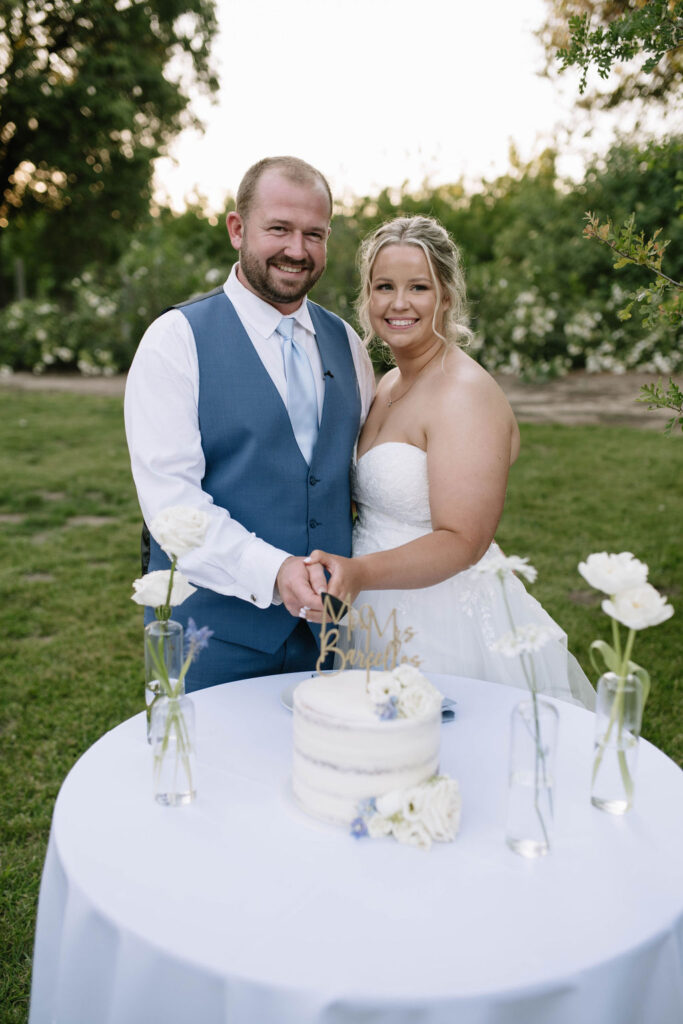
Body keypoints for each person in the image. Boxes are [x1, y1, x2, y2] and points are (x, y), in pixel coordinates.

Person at [306, 215, 595, 709]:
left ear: (447, 296)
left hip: (443, 625)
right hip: (376, 610)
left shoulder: (464, 393)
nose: (398, 303)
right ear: (367, 297)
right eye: (384, 286)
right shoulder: (389, 384)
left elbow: (464, 540)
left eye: (418, 286)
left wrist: (361, 573)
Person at [124, 156, 375, 690]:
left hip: (331, 640)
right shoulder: (176, 341)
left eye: (315, 234)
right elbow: (172, 506)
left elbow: (356, 479)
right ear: (238, 229)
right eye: (279, 229)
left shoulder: (348, 345)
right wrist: (276, 570)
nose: (297, 250)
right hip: (211, 637)